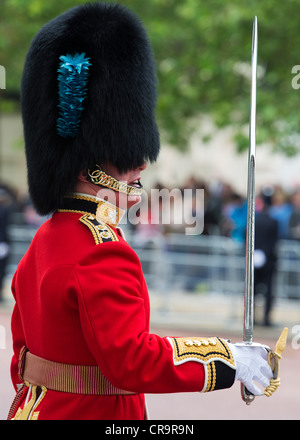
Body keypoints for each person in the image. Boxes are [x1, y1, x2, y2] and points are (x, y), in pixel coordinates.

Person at [8, 2, 280, 420]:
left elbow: (22, 356)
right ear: (88, 165)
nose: (140, 166)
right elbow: (131, 360)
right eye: (126, 156)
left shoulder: (48, 238)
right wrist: (229, 360)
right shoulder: (101, 249)